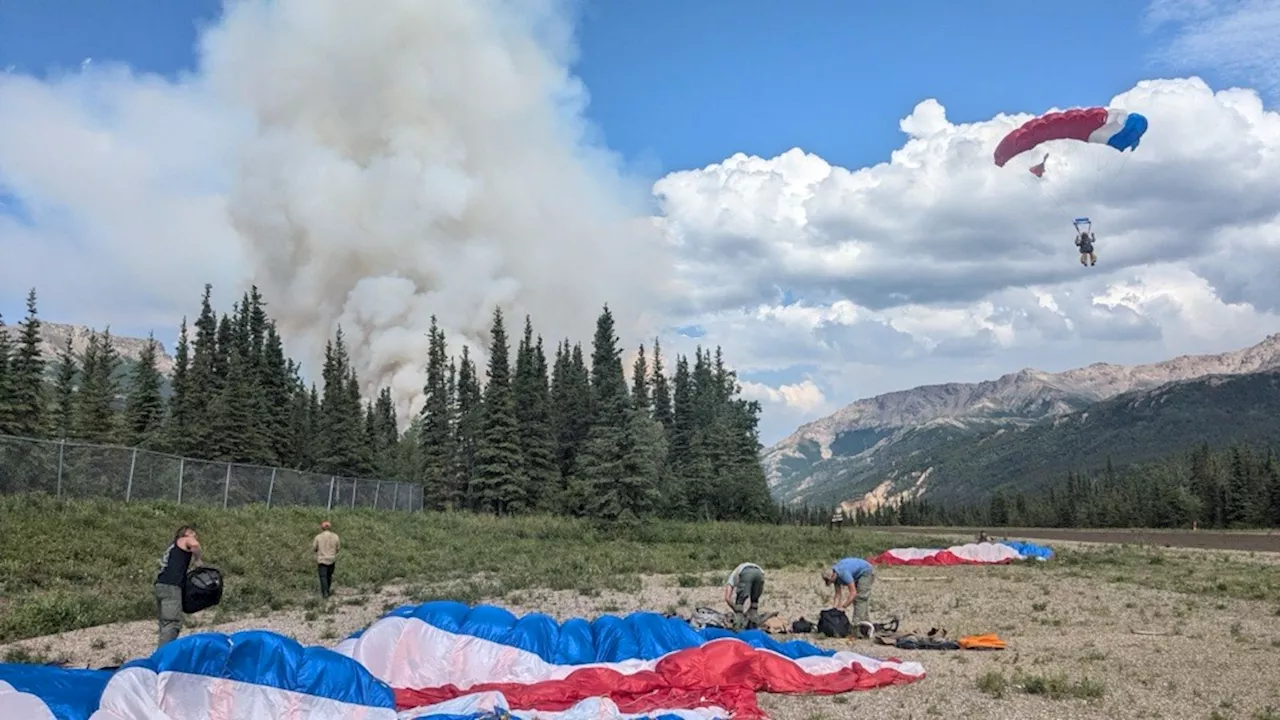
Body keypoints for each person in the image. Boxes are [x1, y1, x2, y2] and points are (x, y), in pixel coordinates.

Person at [155, 525, 202, 648]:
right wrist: (198, 560)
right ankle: (164, 656)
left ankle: (161, 652)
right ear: (186, 533)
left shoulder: (173, 547)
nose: (195, 535)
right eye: (192, 532)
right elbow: (194, 544)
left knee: (164, 623)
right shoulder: (183, 540)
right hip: (172, 586)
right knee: (172, 624)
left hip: (161, 585)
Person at [822, 556, 875, 626]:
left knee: (860, 598)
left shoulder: (844, 574)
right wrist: (834, 609)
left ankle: (858, 623)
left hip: (866, 571)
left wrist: (843, 607)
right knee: (858, 601)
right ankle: (865, 622)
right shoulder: (835, 576)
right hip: (855, 572)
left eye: (829, 580)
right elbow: (838, 594)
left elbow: (853, 593)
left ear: (833, 576)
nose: (829, 582)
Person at [312, 520, 341, 599]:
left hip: (322, 559)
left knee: (323, 576)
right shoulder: (335, 536)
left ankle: (324, 592)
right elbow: (338, 548)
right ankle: (327, 590)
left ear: (322, 528)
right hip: (332, 559)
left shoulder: (318, 537)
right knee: (329, 576)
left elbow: (314, 547)